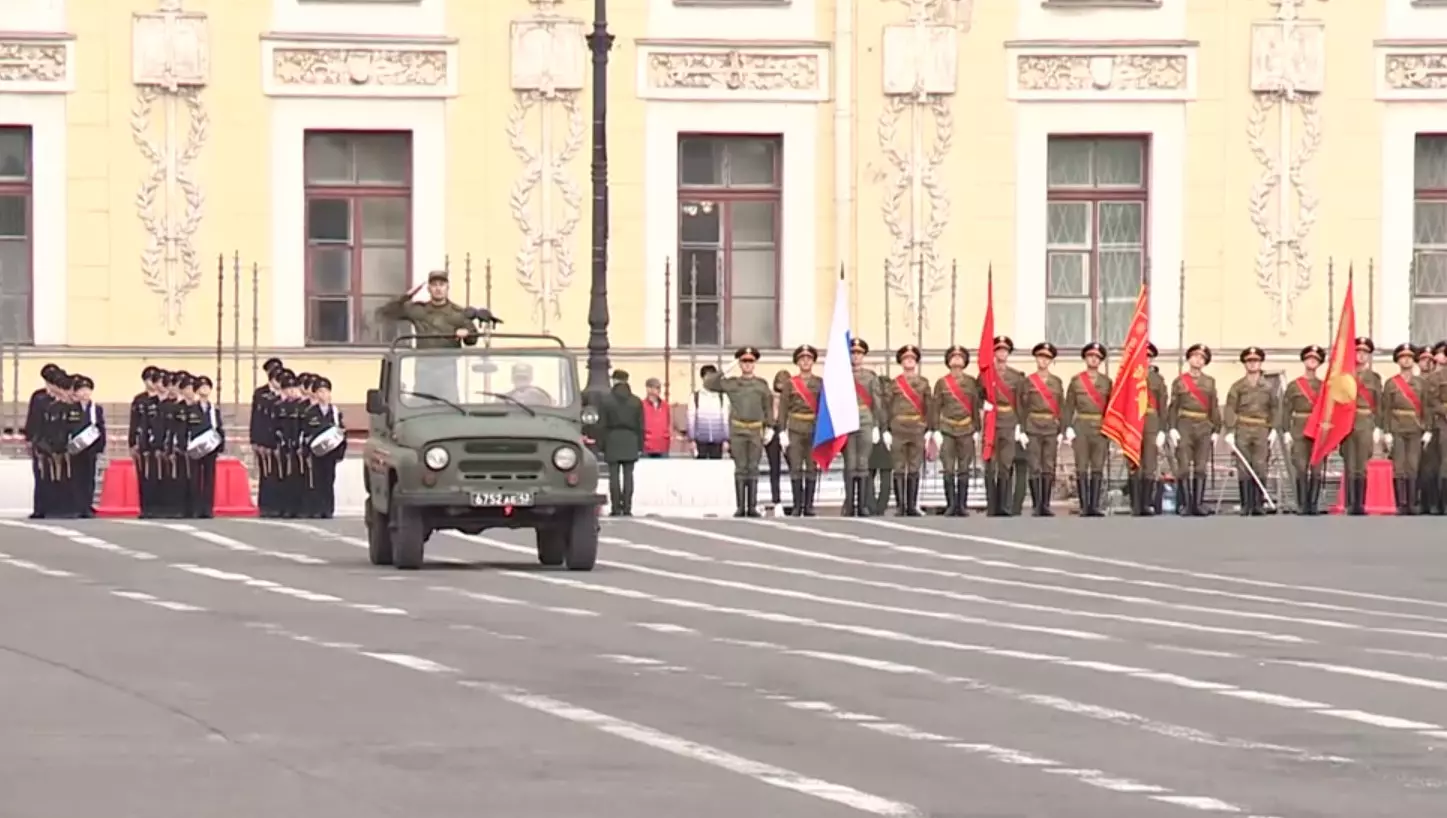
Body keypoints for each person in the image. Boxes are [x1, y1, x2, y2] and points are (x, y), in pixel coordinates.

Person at [375, 270, 497, 399]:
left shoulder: (458, 313)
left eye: (441, 284)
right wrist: (408, 295)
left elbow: (473, 338)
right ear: (429, 288)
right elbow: (386, 312)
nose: (438, 288)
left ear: (447, 287)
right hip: (424, 370)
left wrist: (466, 333)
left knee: (449, 409)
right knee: (421, 406)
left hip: (447, 370)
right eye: (434, 285)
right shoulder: (418, 310)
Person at [703, 347, 775, 517]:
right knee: (740, 468)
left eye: (750, 361)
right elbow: (708, 384)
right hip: (738, 430)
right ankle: (741, 506)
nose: (747, 365)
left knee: (753, 468)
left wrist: (770, 427)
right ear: (740, 364)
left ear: (755, 363)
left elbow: (768, 407)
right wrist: (726, 369)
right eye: (744, 361)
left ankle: (752, 506)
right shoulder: (733, 383)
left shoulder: (761, 384)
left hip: (756, 429)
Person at [1223, 346, 1279, 516]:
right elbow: (1230, 408)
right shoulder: (1238, 386)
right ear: (1245, 364)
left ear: (1260, 363)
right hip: (1242, 428)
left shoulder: (1268, 387)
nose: (1253, 364)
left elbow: (1275, 409)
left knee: (1260, 466)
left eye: (1256, 361)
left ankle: (1258, 504)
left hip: (1262, 429)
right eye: (1249, 361)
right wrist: (1230, 430)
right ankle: (1246, 504)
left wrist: (1275, 428)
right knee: (1243, 467)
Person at [1167, 343, 1222, 517]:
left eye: (1201, 358)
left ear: (1205, 362)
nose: (1198, 360)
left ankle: (1198, 504)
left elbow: (1213, 406)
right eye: (1195, 356)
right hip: (1184, 424)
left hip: (1203, 425)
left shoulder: (1210, 382)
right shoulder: (1179, 381)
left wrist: (1216, 429)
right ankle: (1186, 504)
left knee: (1200, 467)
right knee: (1183, 466)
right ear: (1189, 359)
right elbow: (1173, 406)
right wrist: (1172, 427)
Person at [931, 345, 981, 516]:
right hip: (947, 429)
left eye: (960, 357)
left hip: (966, 428)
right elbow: (936, 407)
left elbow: (975, 406)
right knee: (948, 468)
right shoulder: (942, 383)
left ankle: (962, 505)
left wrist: (977, 428)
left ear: (965, 362)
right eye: (954, 357)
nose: (957, 359)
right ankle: (951, 504)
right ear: (948, 361)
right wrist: (935, 430)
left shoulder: (971, 382)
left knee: (964, 468)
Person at [1063, 342, 1112, 517]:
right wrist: (1066, 427)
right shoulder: (1076, 381)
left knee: (1098, 466)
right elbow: (1068, 406)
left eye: (1097, 357)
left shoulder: (1107, 382)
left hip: (1100, 426)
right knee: (1082, 466)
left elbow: (1110, 408)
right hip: (1081, 425)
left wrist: (1112, 429)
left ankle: (1095, 505)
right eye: (1091, 356)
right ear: (1085, 358)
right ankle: (1085, 506)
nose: (1093, 359)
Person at [884, 344, 932, 516]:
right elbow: (887, 406)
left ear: (916, 361)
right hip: (898, 428)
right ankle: (901, 505)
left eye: (912, 358)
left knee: (914, 467)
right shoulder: (894, 384)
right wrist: (886, 429)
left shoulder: (923, 383)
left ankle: (911, 505)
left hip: (917, 428)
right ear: (901, 362)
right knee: (898, 467)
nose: (909, 361)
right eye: (906, 359)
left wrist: (930, 428)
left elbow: (929, 406)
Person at [842, 338, 888, 516]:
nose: (856, 357)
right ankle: (849, 505)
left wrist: (878, 426)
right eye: (853, 353)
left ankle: (862, 505)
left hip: (865, 419)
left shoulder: (870, 377)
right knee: (850, 464)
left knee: (863, 463)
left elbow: (877, 403)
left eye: (859, 354)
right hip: (846, 419)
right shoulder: (841, 375)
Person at [775, 344, 822, 516]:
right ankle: (796, 505)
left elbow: (823, 408)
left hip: (813, 428)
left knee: (811, 467)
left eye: (808, 359)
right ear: (797, 362)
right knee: (795, 467)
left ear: (813, 361)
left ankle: (808, 506)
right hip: (795, 428)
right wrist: (781, 431)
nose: (805, 362)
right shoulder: (790, 384)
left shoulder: (819, 383)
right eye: (802, 359)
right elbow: (783, 408)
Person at [1279, 344, 1326, 515]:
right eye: (1309, 359)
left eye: (1315, 359)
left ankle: (1313, 504)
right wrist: (1285, 431)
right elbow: (1286, 409)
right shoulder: (1294, 386)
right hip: (1299, 427)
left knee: (1316, 468)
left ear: (1319, 363)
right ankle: (1302, 504)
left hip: (1318, 429)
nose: (1312, 361)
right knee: (1300, 466)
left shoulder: (1324, 386)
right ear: (1304, 361)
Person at [981, 336, 1025, 517]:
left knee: (1006, 464)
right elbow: (978, 395)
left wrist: (1019, 425)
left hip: (1008, 420)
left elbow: (1020, 402)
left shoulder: (1016, 376)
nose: (1002, 354)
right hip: (992, 421)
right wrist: (983, 405)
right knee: (990, 464)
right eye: (998, 350)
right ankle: (992, 506)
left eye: (1005, 351)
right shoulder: (986, 374)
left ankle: (1005, 505)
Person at [1383, 343, 1429, 515]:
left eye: (1410, 357)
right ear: (1398, 360)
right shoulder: (1391, 383)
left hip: (1416, 427)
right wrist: (1385, 430)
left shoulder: (1421, 383)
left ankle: (1412, 502)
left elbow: (1426, 407)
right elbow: (1385, 408)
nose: (1407, 360)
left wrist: (1428, 429)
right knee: (1399, 466)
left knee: (1413, 465)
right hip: (1397, 427)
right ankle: (1401, 504)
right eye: (1403, 357)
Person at [1019, 342, 1064, 516]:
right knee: (1034, 465)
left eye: (1047, 358)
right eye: (1040, 357)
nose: (1043, 361)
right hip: (1033, 425)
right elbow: (1022, 406)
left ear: (1051, 361)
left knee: (1048, 465)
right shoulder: (1028, 382)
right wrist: (1021, 429)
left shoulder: (1056, 382)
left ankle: (1046, 504)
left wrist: (1062, 429)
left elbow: (1061, 406)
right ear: (1036, 359)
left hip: (1051, 426)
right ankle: (1037, 505)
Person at [1340, 337, 1382, 515]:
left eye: (1365, 353)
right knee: (1350, 463)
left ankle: (1360, 503)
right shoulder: (1344, 376)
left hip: (1365, 422)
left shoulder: (1374, 378)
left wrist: (1378, 427)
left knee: (1362, 465)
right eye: (1358, 352)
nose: (1362, 355)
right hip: (1347, 422)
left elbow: (1379, 403)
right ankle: (1350, 503)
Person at [1129, 343, 1170, 516]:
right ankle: (1135, 504)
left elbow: (1162, 405)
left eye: (1148, 357)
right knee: (1133, 462)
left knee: (1149, 464)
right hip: (1133, 421)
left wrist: (1162, 429)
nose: (1145, 360)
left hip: (1152, 422)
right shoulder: (1129, 377)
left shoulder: (1157, 380)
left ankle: (1146, 503)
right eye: (1142, 357)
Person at [601, 370, 644, 515]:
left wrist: (602, 444)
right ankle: (627, 507)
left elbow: (601, 424)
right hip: (631, 438)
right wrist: (640, 445)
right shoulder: (636, 401)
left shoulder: (606, 400)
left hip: (612, 438)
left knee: (613, 476)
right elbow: (641, 425)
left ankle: (615, 507)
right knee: (628, 476)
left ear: (614, 380)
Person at [302, 376, 346, 518]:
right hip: (316, 453)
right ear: (315, 394)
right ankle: (317, 509)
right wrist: (306, 452)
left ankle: (328, 509)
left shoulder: (335, 412)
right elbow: (305, 433)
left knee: (329, 480)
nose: (323, 395)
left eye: (326, 391)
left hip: (331, 452)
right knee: (317, 480)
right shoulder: (310, 412)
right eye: (320, 391)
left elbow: (341, 432)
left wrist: (340, 453)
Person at [24, 364, 60, 518]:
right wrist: (29, 439)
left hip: (55, 441)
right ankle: (40, 508)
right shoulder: (38, 397)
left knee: (54, 476)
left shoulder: (61, 396)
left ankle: (54, 506)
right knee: (40, 475)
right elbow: (32, 418)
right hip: (40, 440)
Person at [251, 358, 284, 517]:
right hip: (265, 440)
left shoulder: (285, 394)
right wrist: (256, 440)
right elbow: (257, 419)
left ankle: (279, 504)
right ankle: (266, 506)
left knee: (280, 474)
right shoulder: (261, 393)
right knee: (267, 474)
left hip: (281, 442)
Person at [70, 375, 104, 518]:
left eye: (87, 389)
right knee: (77, 477)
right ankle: (77, 505)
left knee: (89, 477)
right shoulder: (71, 408)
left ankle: (87, 506)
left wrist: (100, 447)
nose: (84, 393)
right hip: (76, 448)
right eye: (81, 390)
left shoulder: (96, 409)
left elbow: (101, 428)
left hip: (91, 449)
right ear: (76, 392)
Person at [687, 364, 729, 459]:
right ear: (702, 378)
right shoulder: (695, 397)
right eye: (707, 376)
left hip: (717, 441)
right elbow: (691, 419)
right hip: (700, 441)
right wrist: (691, 440)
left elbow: (726, 419)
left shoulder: (722, 397)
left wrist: (726, 439)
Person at [765, 371, 788, 510]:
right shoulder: (769, 396)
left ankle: (799, 499)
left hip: (785, 431)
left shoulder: (790, 397)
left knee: (794, 467)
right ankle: (776, 499)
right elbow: (767, 412)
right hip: (772, 431)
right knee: (775, 467)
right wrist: (770, 427)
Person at [1429, 340, 1447, 515]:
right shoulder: (1437, 378)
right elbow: (1432, 400)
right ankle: (1443, 502)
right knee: (1445, 463)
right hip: (1444, 423)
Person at [641, 377, 672, 459]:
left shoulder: (665, 406)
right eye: (652, 387)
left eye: (658, 388)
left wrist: (667, 436)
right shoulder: (641, 405)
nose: (655, 390)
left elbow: (668, 422)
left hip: (662, 445)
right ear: (647, 389)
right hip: (646, 446)